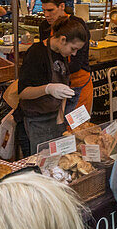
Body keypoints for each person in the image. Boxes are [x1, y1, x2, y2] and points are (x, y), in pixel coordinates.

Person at [17, 16, 89, 152]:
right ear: (62, 39)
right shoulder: (36, 53)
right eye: (73, 48)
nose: (74, 54)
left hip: (54, 118)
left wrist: (60, 117)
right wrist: (48, 89)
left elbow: (65, 86)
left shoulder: (61, 53)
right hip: (35, 120)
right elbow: (23, 92)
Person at [39, 0, 93, 114]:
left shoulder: (77, 25)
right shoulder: (44, 27)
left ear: (62, 6)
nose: (46, 15)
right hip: (55, 85)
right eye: (44, 10)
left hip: (78, 83)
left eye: (50, 10)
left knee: (77, 129)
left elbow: (77, 62)